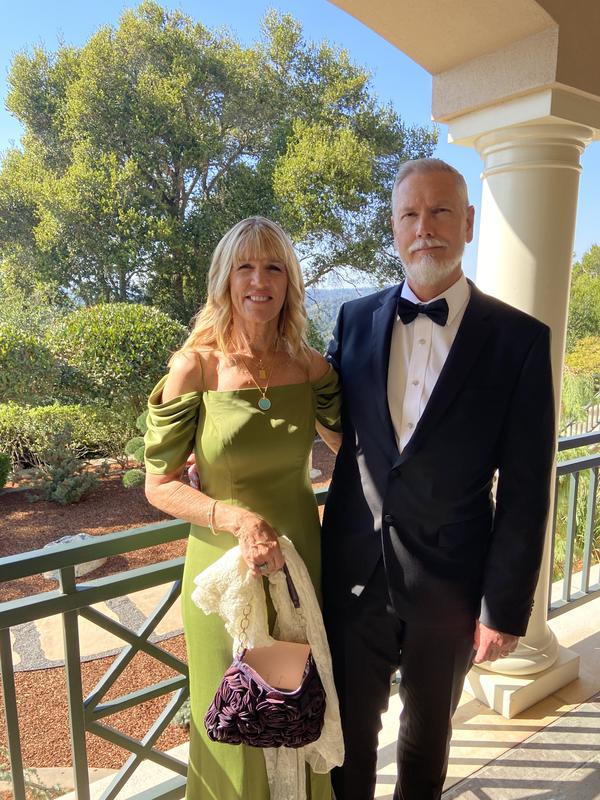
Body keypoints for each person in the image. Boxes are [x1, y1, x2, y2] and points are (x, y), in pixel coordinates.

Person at [321, 158, 555, 800]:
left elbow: (527, 489)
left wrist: (503, 608)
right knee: (346, 744)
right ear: (394, 229)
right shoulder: (353, 320)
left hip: (451, 588)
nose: (424, 227)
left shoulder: (519, 340)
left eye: (440, 211)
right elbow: (316, 410)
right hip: (354, 576)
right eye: (410, 214)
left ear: (469, 222)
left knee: (426, 749)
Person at [143, 216, 342, 800]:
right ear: (225, 280)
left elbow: (354, 448)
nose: (260, 281)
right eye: (245, 268)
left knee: (290, 713)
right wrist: (237, 518)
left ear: (290, 282)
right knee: (237, 719)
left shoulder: (309, 366)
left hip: (296, 568)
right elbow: (159, 485)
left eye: (274, 267)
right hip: (225, 575)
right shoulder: (196, 367)